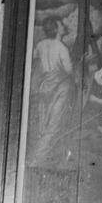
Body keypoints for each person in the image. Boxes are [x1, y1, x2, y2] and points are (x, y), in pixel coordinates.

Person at [29, 16, 75, 163]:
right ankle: (37, 159)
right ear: (56, 29)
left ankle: (39, 157)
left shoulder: (40, 44)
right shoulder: (62, 48)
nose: (64, 26)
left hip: (45, 86)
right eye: (61, 24)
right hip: (60, 87)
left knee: (43, 124)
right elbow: (69, 70)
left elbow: (34, 59)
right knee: (53, 124)